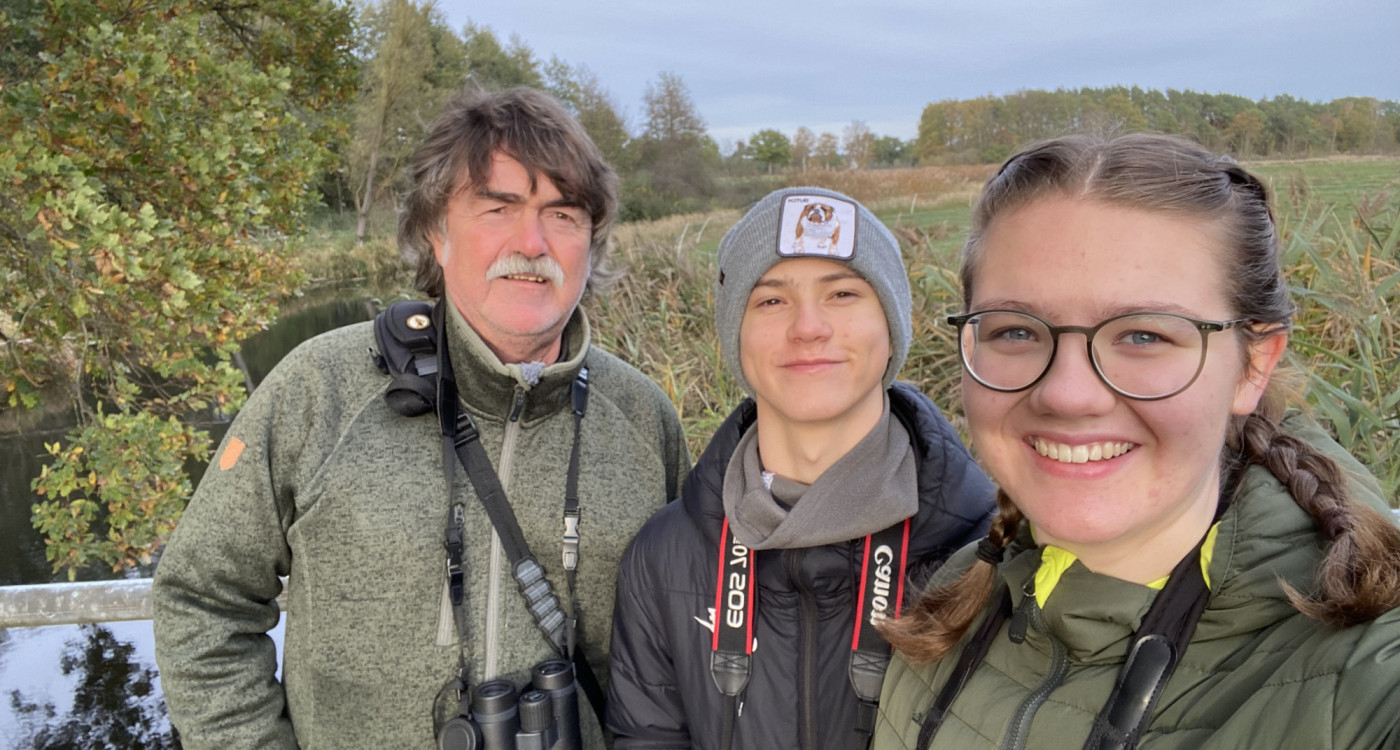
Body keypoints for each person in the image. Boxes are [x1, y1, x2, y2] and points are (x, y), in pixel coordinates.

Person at [153, 87, 690, 750]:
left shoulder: (644, 417)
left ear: (591, 241)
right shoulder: (321, 388)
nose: (532, 241)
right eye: (498, 208)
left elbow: (683, 650)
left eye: (564, 214)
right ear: (437, 232)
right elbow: (201, 600)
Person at [873, 133, 1400, 750]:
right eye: (1016, 330)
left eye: (1144, 336)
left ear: (1254, 364)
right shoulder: (953, 602)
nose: (1068, 394)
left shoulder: (1369, 678)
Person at [607, 187, 997, 750]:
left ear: (891, 329)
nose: (808, 327)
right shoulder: (663, 559)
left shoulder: (985, 552)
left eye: (842, 293)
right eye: (770, 300)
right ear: (735, 337)